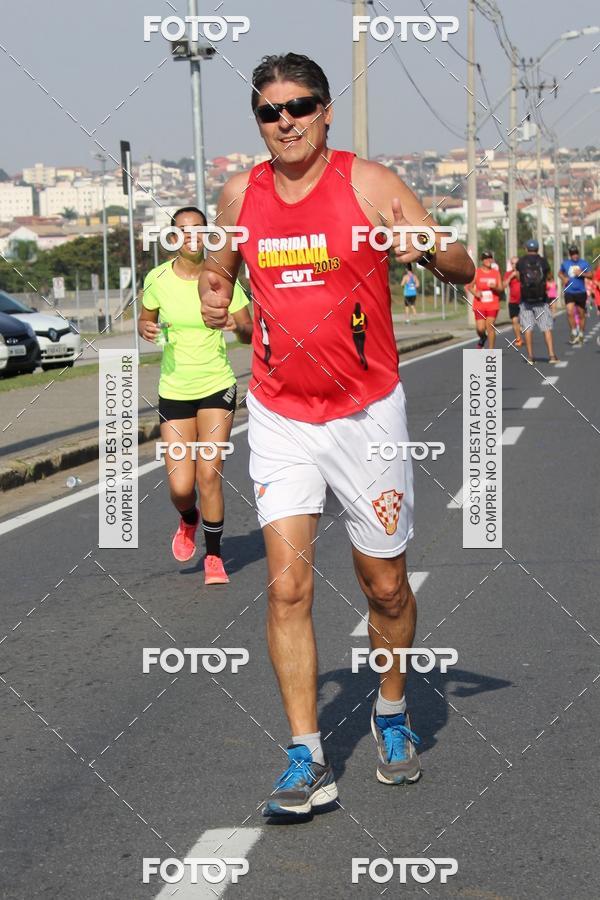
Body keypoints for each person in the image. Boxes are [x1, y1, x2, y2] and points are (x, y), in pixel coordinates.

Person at [200, 52, 474, 815]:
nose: (284, 121)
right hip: (283, 414)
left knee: (385, 584)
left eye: (300, 106)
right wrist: (217, 294)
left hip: (367, 415)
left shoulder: (370, 183)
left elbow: (458, 258)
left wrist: (428, 250)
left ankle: (390, 709)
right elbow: (218, 269)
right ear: (258, 120)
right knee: (287, 585)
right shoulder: (239, 193)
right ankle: (305, 756)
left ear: (326, 111)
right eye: (269, 110)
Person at [138, 206, 253, 585]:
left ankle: (214, 557)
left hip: (217, 385)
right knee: (181, 487)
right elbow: (145, 319)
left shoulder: (222, 278)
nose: (191, 237)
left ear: (208, 236)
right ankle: (188, 519)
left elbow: (248, 331)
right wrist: (147, 329)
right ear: (172, 237)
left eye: (198, 230)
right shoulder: (157, 278)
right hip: (174, 389)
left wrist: (235, 323)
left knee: (208, 474)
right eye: (183, 231)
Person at [515, 239, 558, 365]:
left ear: (526, 249)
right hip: (541, 300)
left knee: (528, 328)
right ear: (538, 249)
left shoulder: (521, 262)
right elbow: (548, 276)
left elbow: (518, 277)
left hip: (526, 301)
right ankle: (551, 355)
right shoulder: (543, 261)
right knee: (546, 328)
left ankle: (530, 357)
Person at [467, 250, 503, 349]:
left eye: (489, 258)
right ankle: (483, 337)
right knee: (480, 328)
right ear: (482, 260)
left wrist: (494, 287)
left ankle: (491, 350)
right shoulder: (477, 272)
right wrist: (476, 293)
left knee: (490, 327)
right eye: (485, 258)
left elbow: (501, 288)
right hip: (479, 304)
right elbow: (469, 286)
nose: (488, 260)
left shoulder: (496, 273)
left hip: (493, 304)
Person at [559, 244, 593, 345]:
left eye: (576, 253)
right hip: (569, 291)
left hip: (581, 292)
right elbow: (560, 273)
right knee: (569, 312)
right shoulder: (565, 263)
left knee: (581, 314)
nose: (575, 255)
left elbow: (591, 275)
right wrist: (563, 278)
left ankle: (581, 333)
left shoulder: (584, 263)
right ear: (570, 255)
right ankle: (574, 331)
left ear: (578, 253)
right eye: (572, 254)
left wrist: (582, 274)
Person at [503, 256, 523, 346]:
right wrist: (511, 277)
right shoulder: (508, 274)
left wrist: (517, 274)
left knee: (523, 320)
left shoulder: (523, 272)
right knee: (514, 320)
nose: (514, 265)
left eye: (516, 263)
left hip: (524, 300)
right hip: (513, 300)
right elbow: (504, 285)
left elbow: (521, 279)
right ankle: (518, 339)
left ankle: (522, 329)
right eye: (512, 263)